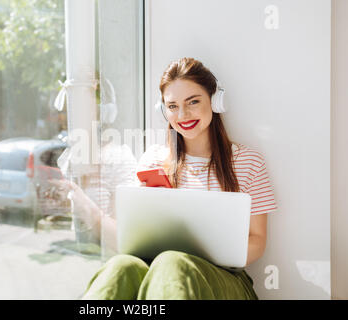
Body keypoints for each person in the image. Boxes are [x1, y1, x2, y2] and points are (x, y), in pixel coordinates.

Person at [51, 57, 278, 300]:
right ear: (164, 110)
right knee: (121, 267)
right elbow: (128, 238)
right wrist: (88, 209)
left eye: (193, 102)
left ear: (215, 101)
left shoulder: (248, 162)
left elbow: (258, 240)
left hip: (227, 281)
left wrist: (199, 256)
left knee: (172, 261)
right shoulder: (154, 160)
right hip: (161, 272)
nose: (183, 114)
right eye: (172, 106)